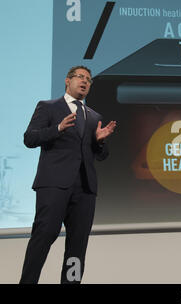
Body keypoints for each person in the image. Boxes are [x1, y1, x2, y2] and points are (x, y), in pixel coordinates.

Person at [19, 66, 117, 284]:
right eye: (80, 77)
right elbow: (29, 139)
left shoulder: (94, 116)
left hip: (85, 190)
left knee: (78, 246)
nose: (84, 82)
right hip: (54, 185)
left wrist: (100, 142)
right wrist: (57, 129)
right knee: (43, 237)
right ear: (67, 81)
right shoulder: (49, 107)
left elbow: (101, 156)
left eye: (89, 80)